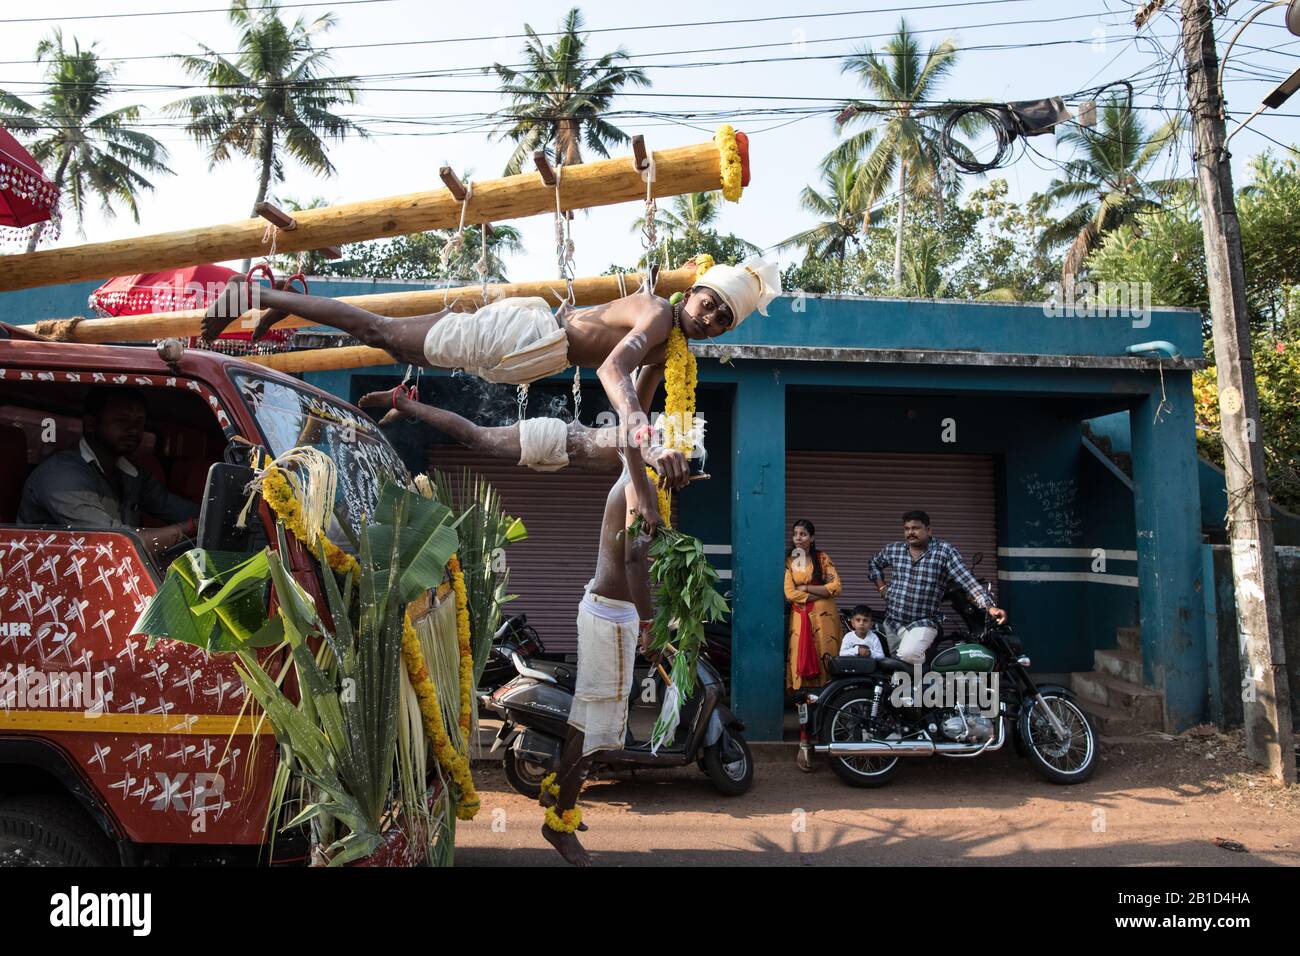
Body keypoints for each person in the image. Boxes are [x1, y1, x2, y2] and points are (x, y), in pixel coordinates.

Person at [203, 258, 779, 532]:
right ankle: (254, 291)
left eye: (724, 319)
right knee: (383, 334)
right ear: (695, 291)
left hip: (527, 356)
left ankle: (281, 299)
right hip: (529, 337)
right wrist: (647, 443)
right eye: (710, 304)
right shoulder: (656, 313)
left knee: (388, 339)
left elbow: (635, 425)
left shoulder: (672, 351)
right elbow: (612, 370)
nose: (711, 319)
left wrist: (644, 491)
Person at [538, 460, 678, 866]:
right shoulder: (641, 482)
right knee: (599, 730)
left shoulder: (639, 476)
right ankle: (559, 822)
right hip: (612, 618)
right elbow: (634, 560)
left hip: (615, 614)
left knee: (588, 724)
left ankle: (555, 792)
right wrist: (651, 626)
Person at [356, 364, 689, 483]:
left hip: (555, 445)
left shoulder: (636, 425)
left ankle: (408, 403)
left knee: (477, 437)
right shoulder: (643, 438)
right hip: (555, 441)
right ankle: (405, 402)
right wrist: (661, 456)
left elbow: (648, 371)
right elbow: (651, 448)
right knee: (476, 438)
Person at [17, 386, 199, 561]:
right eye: (122, 420)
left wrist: (213, 515)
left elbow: (173, 506)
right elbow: (116, 542)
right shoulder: (61, 476)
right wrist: (189, 528)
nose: (134, 429)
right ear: (90, 424)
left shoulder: (131, 473)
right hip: (53, 583)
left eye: (139, 422)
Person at [867, 510, 1008, 668]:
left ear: (928, 530)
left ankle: (924, 686)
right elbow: (874, 563)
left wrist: (989, 606)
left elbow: (966, 579)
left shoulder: (944, 551)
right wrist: (882, 588)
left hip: (923, 622)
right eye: (906, 529)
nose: (910, 533)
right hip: (893, 622)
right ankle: (912, 690)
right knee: (899, 666)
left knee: (908, 654)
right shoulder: (894, 550)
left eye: (915, 528)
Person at [784, 518, 843, 691]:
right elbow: (790, 593)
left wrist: (806, 587)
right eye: (795, 534)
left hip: (825, 618)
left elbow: (837, 587)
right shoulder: (789, 561)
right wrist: (821, 593)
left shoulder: (822, 558)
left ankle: (829, 695)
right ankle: (803, 700)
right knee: (799, 655)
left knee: (826, 652)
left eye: (803, 534)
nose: (798, 538)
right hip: (801, 619)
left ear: (812, 538)